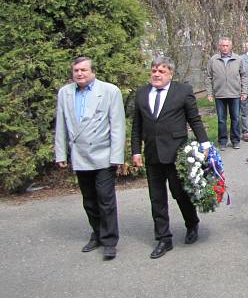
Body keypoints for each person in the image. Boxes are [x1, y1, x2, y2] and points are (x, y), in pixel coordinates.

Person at [132, 57, 211, 259]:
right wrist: (136, 151)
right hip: (152, 154)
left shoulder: (182, 91)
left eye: (161, 71)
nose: (156, 74)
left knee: (180, 193)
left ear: (171, 74)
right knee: (156, 198)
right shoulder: (142, 94)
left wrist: (205, 143)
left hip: (176, 152)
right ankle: (163, 238)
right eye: (154, 71)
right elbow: (137, 127)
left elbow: (194, 119)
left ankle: (192, 223)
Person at [54, 57, 126, 260]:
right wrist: (60, 153)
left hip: (103, 154)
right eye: (76, 70)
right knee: (89, 200)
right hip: (79, 155)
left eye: (83, 70)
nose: (79, 74)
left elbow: (118, 125)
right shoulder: (65, 93)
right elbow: (61, 125)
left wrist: (117, 156)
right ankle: (98, 233)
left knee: (106, 199)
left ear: (93, 71)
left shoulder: (110, 91)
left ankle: (110, 240)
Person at [206, 37, 248, 150]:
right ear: (219, 46)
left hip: (235, 94)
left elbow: (243, 76)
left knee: (235, 118)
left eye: (227, 46)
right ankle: (222, 141)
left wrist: (244, 92)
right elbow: (209, 77)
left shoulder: (238, 59)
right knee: (221, 119)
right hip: (219, 94)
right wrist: (209, 93)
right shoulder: (213, 60)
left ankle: (235, 140)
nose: (225, 48)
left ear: (231, 46)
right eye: (223, 46)